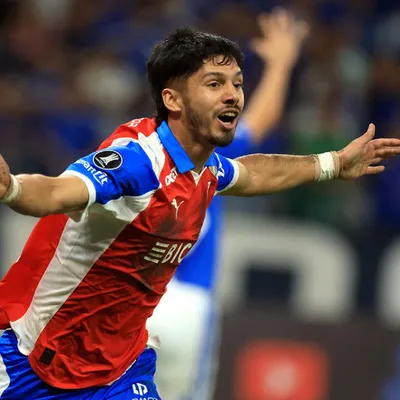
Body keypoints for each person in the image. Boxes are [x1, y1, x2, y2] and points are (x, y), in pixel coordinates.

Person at [0, 26, 398, 400]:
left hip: (117, 371)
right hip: (29, 358)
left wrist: (332, 163)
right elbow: (56, 191)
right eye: (214, 84)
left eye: (237, 84)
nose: (233, 95)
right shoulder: (138, 160)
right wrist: (12, 188)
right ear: (172, 99)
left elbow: (252, 174)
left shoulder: (205, 167)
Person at [145, 9, 308, 400]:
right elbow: (260, 122)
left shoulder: (134, 156)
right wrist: (281, 65)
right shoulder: (210, 149)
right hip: (190, 302)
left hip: (138, 303)